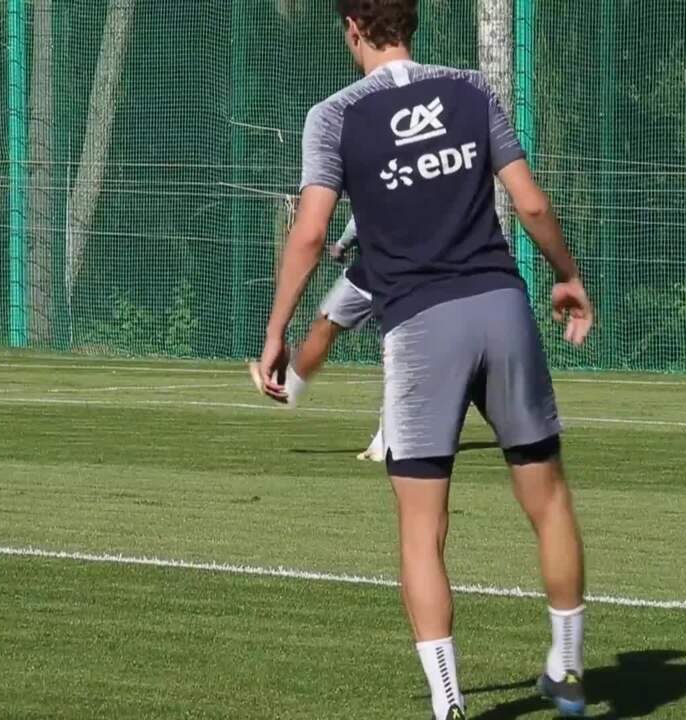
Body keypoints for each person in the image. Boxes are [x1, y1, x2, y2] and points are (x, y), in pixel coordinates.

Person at [255, 2, 595, 717]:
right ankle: (567, 669)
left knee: (421, 527)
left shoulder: (335, 115)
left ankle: (448, 705)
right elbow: (531, 205)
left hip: (419, 325)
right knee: (549, 501)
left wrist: (277, 331)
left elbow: (311, 235)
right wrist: (567, 276)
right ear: (412, 23)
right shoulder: (472, 90)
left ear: (353, 27)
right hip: (503, 308)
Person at [249, 215, 386, 460]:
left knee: (397, 355)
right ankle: (288, 388)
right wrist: (343, 244)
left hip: (396, 277)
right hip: (369, 274)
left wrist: (342, 244)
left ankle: (387, 439)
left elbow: (319, 233)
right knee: (327, 321)